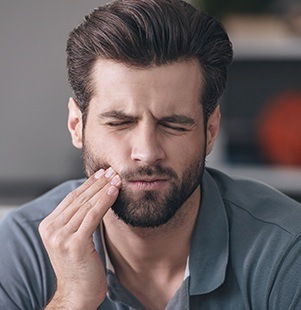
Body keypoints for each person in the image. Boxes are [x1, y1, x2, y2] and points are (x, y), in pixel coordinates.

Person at [1, 0, 301, 309]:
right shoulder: (21, 247)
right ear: (77, 126)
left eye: (173, 125)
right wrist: (72, 298)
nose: (146, 153)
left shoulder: (287, 249)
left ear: (210, 131)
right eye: (120, 123)